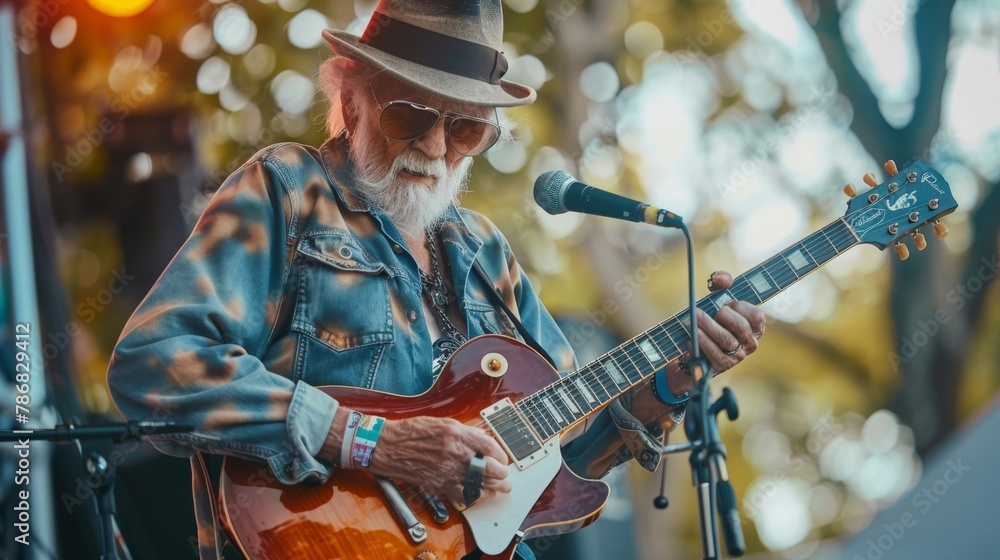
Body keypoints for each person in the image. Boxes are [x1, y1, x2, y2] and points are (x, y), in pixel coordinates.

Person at [106, 1, 766, 559]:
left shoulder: (486, 251)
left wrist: (671, 383)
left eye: (465, 128)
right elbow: (155, 366)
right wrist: (374, 442)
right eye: (410, 116)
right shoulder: (287, 186)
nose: (434, 146)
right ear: (350, 98)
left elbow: (563, 465)